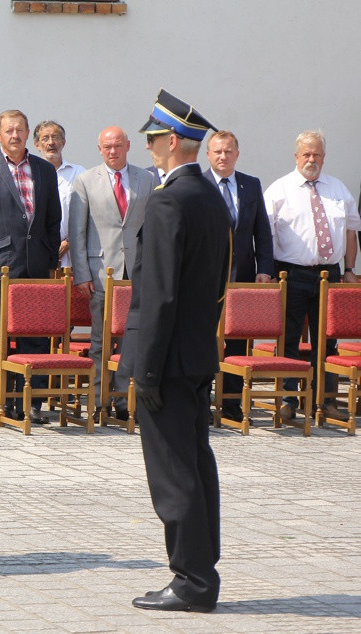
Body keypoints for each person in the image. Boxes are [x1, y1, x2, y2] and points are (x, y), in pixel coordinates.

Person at [119, 89, 230, 613]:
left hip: (166, 358)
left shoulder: (168, 199)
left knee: (173, 472)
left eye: (152, 138)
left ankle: (191, 581)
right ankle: (201, 571)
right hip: (195, 354)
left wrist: (147, 369)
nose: (148, 145)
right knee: (195, 463)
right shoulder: (209, 196)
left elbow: (159, 294)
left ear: (171, 141)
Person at [0, 109, 62, 424]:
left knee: (37, 336)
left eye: (20, 129)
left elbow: (52, 220)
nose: (15, 135)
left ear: (27, 132)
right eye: (9, 130)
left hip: (37, 267)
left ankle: (32, 403)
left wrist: (50, 262)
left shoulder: (45, 171)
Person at [264, 130, 359, 423]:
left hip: (330, 276)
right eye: (306, 154)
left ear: (323, 157)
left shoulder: (337, 189)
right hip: (292, 275)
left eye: (317, 154)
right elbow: (265, 236)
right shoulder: (279, 190)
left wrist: (350, 269)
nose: (311, 159)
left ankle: (325, 400)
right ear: (296, 156)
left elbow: (350, 232)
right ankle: (289, 400)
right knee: (290, 338)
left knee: (327, 341)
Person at [69, 126, 154, 423]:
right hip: (100, 271)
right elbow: (77, 232)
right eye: (107, 146)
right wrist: (82, 274)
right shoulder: (85, 181)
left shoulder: (147, 179)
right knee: (100, 341)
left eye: (118, 145)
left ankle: (122, 399)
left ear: (128, 146)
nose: (113, 151)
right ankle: (97, 400)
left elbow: (151, 228)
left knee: (131, 341)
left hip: (136, 272)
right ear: (99, 149)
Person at [203, 130, 274, 421]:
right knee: (205, 340)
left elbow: (262, 231)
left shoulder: (250, 185)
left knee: (239, 342)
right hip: (205, 278)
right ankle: (202, 403)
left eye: (228, 151)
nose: (223, 156)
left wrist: (265, 269)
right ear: (208, 154)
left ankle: (231, 405)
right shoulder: (198, 185)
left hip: (242, 277)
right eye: (217, 151)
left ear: (237, 154)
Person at [33, 120, 84, 270]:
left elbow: (87, 214)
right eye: (45, 138)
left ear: (63, 142)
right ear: (36, 145)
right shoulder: (30, 174)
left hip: (72, 256)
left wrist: (67, 243)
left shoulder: (79, 173)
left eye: (55, 137)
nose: (51, 143)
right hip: (39, 253)